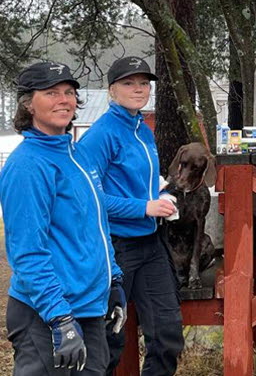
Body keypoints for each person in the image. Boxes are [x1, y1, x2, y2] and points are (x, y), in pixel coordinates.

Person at [0, 62, 125, 375]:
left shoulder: (78, 155)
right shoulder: (28, 166)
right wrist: (60, 319)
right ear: (28, 103)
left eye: (69, 92)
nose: (64, 100)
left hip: (89, 309)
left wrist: (114, 281)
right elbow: (27, 252)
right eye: (51, 92)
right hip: (46, 315)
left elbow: (96, 227)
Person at [79, 57, 184, 375]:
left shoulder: (143, 129)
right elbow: (88, 198)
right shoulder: (101, 135)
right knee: (109, 340)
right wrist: (144, 207)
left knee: (167, 336)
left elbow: (144, 183)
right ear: (112, 90)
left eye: (143, 83)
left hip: (151, 244)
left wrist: (160, 195)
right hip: (116, 247)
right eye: (128, 83)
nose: (138, 89)